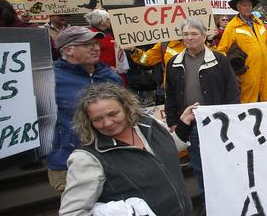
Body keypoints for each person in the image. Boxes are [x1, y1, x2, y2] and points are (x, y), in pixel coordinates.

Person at [59, 83, 194, 215]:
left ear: (126, 107)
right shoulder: (87, 158)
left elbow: (165, 150)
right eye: (97, 119)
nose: (107, 123)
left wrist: (183, 124)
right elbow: (71, 212)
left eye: (113, 114)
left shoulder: (149, 123)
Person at [165, 17, 240, 199]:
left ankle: (229, 199)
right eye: (185, 34)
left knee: (224, 164)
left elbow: (232, 91)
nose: (189, 38)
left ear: (204, 35)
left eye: (194, 34)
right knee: (199, 167)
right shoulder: (173, 62)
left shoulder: (219, 60)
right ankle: (209, 202)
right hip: (191, 125)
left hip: (217, 124)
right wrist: (174, 122)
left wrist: (231, 119)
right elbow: (171, 95)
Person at [48, 26, 123, 193]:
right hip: (70, 161)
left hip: (114, 156)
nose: (96, 48)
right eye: (88, 44)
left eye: (96, 43)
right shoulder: (49, 79)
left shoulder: (110, 75)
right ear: (68, 50)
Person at [217, 0, 267, 103]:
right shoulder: (232, 27)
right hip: (247, 74)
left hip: (265, 71)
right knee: (248, 103)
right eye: (244, 5)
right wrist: (231, 72)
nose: (247, 7)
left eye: (249, 5)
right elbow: (222, 51)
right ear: (238, 7)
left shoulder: (259, 23)